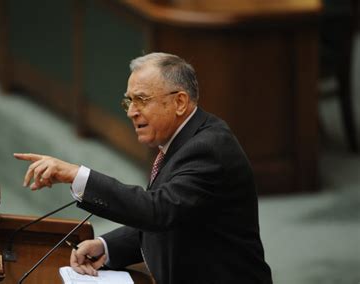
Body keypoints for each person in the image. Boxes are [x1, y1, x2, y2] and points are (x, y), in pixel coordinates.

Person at [14, 52, 272, 284]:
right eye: (128, 102)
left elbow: (159, 210)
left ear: (180, 102)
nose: (131, 112)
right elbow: (179, 219)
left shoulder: (209, 148)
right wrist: (108, 246)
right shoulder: (180, 139)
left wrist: (75, 174)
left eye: (141, 100)